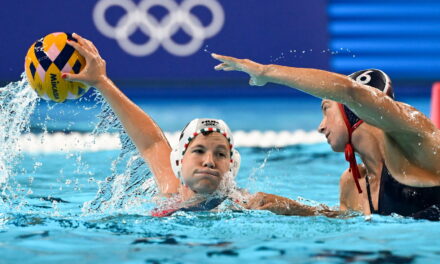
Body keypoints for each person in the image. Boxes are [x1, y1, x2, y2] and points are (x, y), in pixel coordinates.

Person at [62, 33, 334, 217]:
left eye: (220, 154)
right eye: (199, 150)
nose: (209, 161)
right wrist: (101, 81)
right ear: (179, 160)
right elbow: (151, 141)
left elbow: (331, 216)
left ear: (232, 165)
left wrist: (295, 210)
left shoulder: (246, 204)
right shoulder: (169, 186)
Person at [212, 53, 440, 221]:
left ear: (354, 110)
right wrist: (293, 208)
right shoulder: (353, 183)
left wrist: (266, 72)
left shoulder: (415, 142)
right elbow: (347, 223)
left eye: (325, 109)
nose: (321, 127)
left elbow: (350, 91)